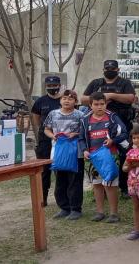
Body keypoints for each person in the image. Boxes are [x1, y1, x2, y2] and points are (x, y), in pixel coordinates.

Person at [82, 59, 137, 197]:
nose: (110, 71)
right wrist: (100, 98)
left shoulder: (124, 83)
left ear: (118, 70)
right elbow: (83, 99)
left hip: (121, 125)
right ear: (103, 69)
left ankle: (124, 188)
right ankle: (103, 188)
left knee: (125, 155)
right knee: (101, 156)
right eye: (107, 68)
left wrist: (111, 96)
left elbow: (131, 98)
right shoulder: (96, 83)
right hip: (98, 125)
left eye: (113, 69)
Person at [78, 92, 129, 223]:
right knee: (97, 184)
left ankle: (114, 213)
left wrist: (113, 140)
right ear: (90, 105)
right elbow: (81, 138)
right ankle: (99, 212)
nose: (99, 107)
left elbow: (124, 133)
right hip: (93, 158)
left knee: (111, 184)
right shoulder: (85, 119)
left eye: (102, 104)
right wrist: (84, 150)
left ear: (106, 104)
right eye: (96, 104)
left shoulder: (112, 117)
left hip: (110, 156)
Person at [43, 89, 84, 220]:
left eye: (71, 98)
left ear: (75, 102)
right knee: (60, 180)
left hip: (75, 152)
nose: (67, 100)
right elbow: (46, 129)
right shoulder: (53, 114)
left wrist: (75, 134)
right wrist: (52, 136)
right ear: (60, 100)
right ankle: (64, 208)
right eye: (64, 98)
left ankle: (75, 209)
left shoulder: (80, 115)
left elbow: (84, 132)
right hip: (58, 151)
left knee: (74, 180)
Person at [31, 75, 63, 207]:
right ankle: (42, 198)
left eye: (54, 85)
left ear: (59, 85)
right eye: (49, 86)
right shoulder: (40, 101)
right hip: (45, 140)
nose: (52, 88)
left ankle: (61, 200)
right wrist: (46, 130)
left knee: (61, 169)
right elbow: (36, 118)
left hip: (61, 140)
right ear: (46, 87)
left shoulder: (64, 100)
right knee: (44, 170)